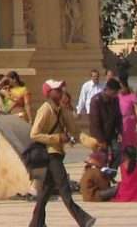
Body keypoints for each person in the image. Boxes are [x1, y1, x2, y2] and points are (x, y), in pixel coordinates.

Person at [27, 80, 93, 227]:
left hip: (57, 153)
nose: (60, 91)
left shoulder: (61, 110)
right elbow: (34, 134)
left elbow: (76, 132)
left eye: (60, 89)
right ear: (49, 93)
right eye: (56, 89)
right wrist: (57, 138)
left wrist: (92, 143)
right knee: (64, 188)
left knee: (45, 191)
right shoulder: (45, 109)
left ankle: (36, 223)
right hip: (49, 155)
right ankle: (83, 219)